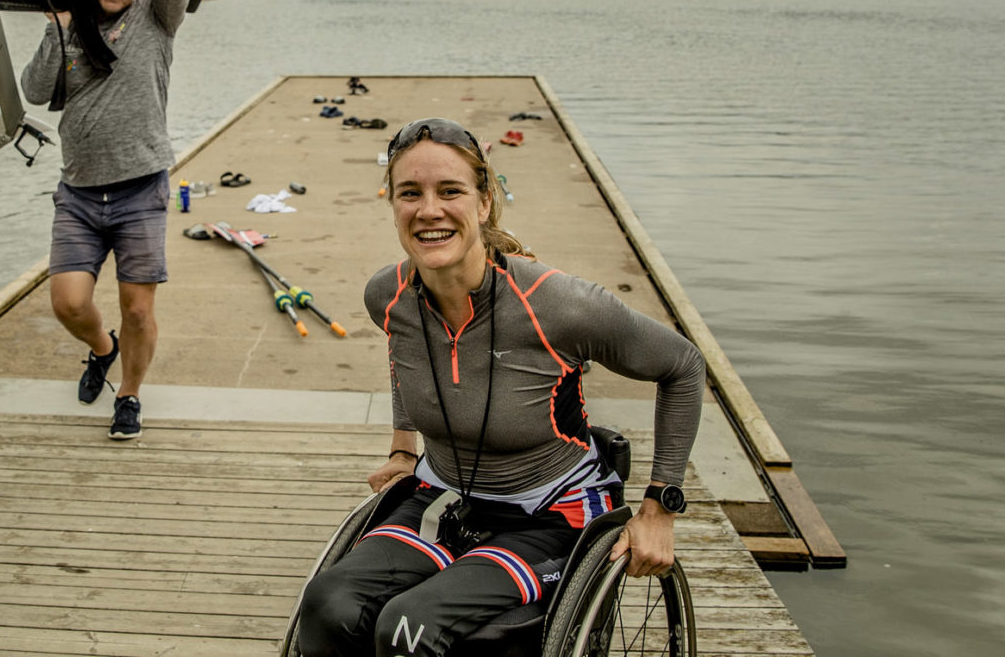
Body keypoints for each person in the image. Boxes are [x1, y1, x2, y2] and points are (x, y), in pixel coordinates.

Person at [295, 118, 707, 657]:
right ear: (391, 203)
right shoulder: (388, 296)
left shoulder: (559, 306)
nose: (429, 210)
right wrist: (403, 447)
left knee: (406, 627)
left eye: (450, 192)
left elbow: (683, 366)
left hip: (553, 513)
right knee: (327, 604)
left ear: (484, 201)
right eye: (410, 193)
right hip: (444, 499)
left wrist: (660, 506)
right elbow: (407, 356)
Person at [22, 0, 194, 441]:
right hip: (78, 191)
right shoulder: (74, 25)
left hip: (140, 186)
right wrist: (55, 29)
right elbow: (35, 92)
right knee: (69, 303)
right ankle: (102, 348)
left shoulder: (158, 18)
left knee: (139, 308)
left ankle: (130, 394)